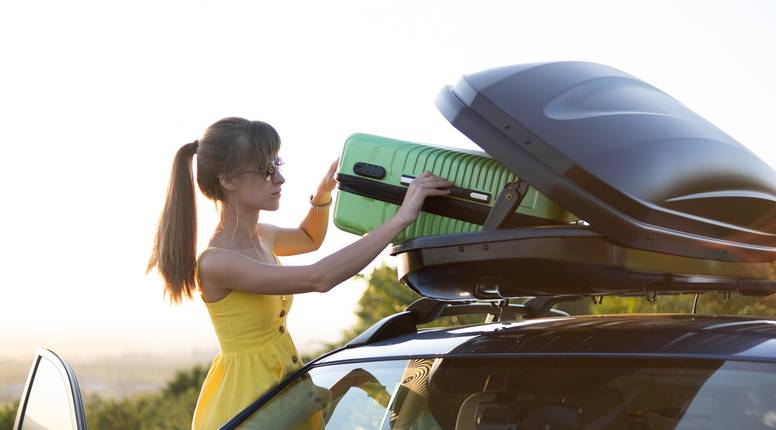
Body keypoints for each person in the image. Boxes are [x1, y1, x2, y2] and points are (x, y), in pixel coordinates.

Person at [146, 117, 454, 430]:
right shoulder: (217, 263)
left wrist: (323, 193)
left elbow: (309, 238)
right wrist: (402, 218)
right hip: (250, 404)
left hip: (286, 393)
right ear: (228, 180)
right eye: (267, 169)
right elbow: (319, 278)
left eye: (277, 164)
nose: (279, 178)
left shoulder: (262, 236)